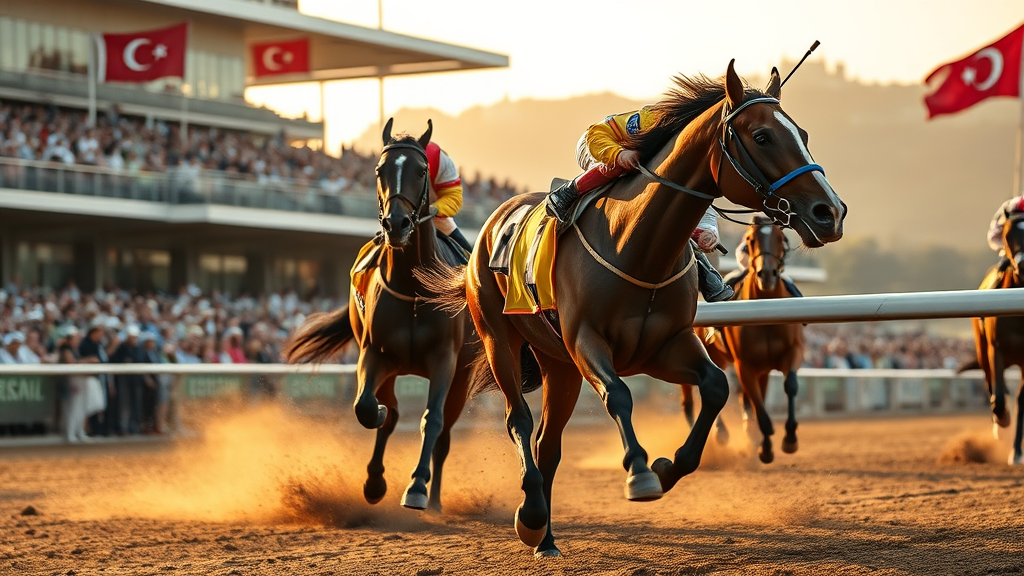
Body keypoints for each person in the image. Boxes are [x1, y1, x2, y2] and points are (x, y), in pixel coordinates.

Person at [545, 107, 731, 301]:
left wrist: (709, 231)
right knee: (627, 163)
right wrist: (618, 154)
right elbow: (596, 135)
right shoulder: (651, 121)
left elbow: (698, 201)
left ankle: (703, 269)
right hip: (597, 143)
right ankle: (567, 193)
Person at [424, 141, 474, 254]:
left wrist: (435, 209)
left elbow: (454, 198)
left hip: (437, 222)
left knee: (472, 259)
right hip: (400, 223)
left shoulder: (439, 159)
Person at [721, 238, 804, 297]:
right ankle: (722, 298)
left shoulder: (774, 241)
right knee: (731, 278)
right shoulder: (749, 240)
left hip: (771, 269)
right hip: (749, 268)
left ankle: (800, 302)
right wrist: (749, 266)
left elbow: (782, 254)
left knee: (788, 281)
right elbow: (740, 253)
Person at [57, 326, 89, 443]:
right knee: (71, 408)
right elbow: (71, 363)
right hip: (70, 382)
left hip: (79, 381)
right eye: (75, 338)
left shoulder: (74, 350)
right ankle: (70, 433)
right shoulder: (66, 349)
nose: (77, 340)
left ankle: (79, 431)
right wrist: (87, 361)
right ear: (69, 339)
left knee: (80, 408)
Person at [984, 195, 1024, 288]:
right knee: (997, 274)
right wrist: (1007, 249)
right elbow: (993, 238)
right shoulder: (1008, 209)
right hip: (1010, 254)